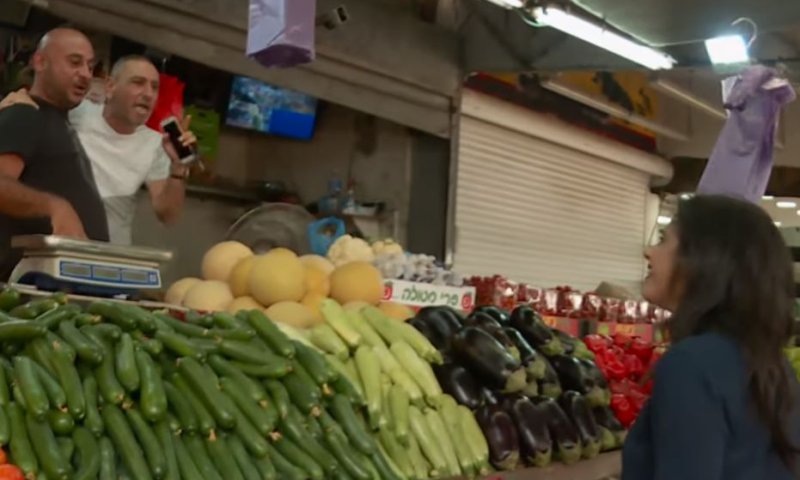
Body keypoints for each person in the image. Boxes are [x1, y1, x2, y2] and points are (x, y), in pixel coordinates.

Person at [623, 195, 800, 479]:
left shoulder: (691, 365)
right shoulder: (772, 365)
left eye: (663, 240)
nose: (648, 252)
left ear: (704, 260)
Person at [2, 55, 196, 245]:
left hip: (111, 255)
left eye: (154, 87)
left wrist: (178, 168)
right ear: (110, 87)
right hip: (57, 243)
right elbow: (33, 101)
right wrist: (17, 101)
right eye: (138, 83)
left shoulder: (157, 143)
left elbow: (168, 215)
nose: (148, 94)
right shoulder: (77, 113)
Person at [0, 28, 109, 278]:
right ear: (40, 61)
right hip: (27, 292)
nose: (85, 74)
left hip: (67, 285)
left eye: (90, 66)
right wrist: (54, 206)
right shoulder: (23, 113)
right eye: (74, 62)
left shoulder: (60, 122)